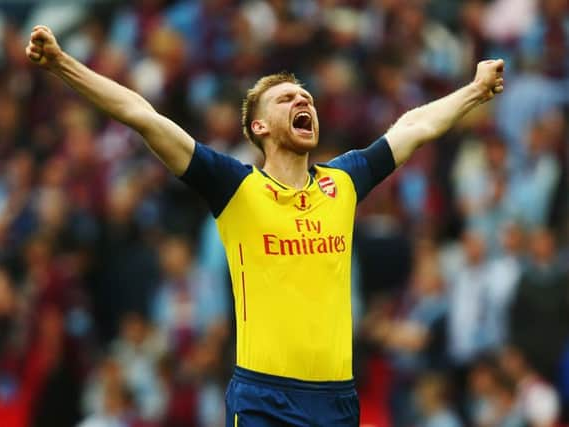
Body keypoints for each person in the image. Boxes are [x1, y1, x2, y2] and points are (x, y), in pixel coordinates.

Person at [25, 25, 504, 426]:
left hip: (337, 400)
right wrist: (62, 63)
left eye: (307, 96)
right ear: (258, 127)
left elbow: (414, 127)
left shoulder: (344, 181)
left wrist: (475, 90)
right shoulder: (235, 188)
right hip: (264, 400)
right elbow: (142, 116)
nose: (304, 101)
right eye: (286, 98)